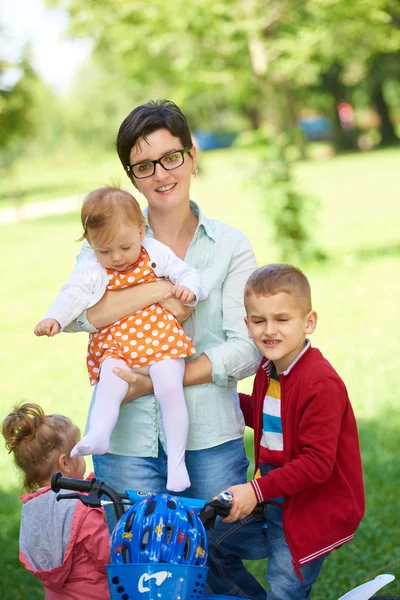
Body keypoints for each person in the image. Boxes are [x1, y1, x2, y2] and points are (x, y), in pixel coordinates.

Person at [64, 99, 261, 529]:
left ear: (192, 157)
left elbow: (246, 348)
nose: (161, 174)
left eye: (171, 157)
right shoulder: (107, 240)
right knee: (140, 566)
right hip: (125, 442)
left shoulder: (229, 245)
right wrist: (156, 289)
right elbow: (82, 314)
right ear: (132, 177)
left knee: (213, 564)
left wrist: (148, 382)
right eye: (144, 165)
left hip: (209, 439)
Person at [206, 264, 365, 600]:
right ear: (246, 325)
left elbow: (317, 463)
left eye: (282, 319)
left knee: (285, 590)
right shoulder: (270, 369)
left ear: (309, 322)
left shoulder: (320, 383)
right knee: (209, 544)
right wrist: (219, 401)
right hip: (273, 501)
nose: (269, 331)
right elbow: (269, 418)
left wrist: (256, 490)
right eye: (259, 321)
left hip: (308, 511)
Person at [34, 186, 208, 492]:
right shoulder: (92, 267)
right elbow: (73, 293)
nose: (116, 258)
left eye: (125, 247)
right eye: (105, 251)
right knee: (110, 381)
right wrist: (54, 318)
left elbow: (187, 273)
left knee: (170, 387)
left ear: (141, 231)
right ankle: (100, 433)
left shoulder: (155, 252)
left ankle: (177, 464)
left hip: (160, 337)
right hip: (117, 343)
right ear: (90, 243)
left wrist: (190, 290)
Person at [1, 402, 110, 600]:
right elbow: (108, 555)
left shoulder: (33, 509)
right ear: (65, 463)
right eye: (79, 451)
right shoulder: (80, 507)